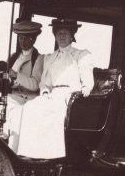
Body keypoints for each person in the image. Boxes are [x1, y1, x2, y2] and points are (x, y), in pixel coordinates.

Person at [16, 18, 94, 159]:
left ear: (71, 36)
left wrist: (87, 87)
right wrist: (45, 92)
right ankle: (28, 153)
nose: (62, 36)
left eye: (65, 33)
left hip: (70, 95)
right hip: (52, 94)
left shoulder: (80, 55)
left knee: (52, 111)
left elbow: (87, 77)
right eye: (59, 33)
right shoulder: (49, 58)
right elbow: (45, 82)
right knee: (29, 107)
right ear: (55, 36)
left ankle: (51, 154)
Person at [4, 19, 43, 151]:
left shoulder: (38, 58)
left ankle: (11, 151)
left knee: (12, 111)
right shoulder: (14, 56)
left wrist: (16, 76)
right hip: (11, 95)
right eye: (20, 38)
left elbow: (35, 84)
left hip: (24, 99)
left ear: (33, 40)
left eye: (26, 38)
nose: (22, 41)